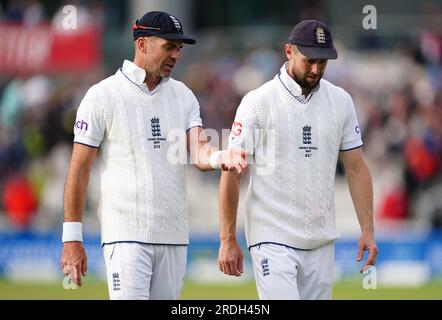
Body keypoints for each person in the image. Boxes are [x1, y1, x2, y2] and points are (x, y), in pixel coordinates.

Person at [60, 11, 247, 300]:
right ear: (142, 44)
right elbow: (79, 169)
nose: (176, 55)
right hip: (126, 234)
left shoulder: (183, 95)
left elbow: (200, 153)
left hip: (173, 236)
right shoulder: (103, 95)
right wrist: (72, 238)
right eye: (169, 47)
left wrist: (221, 157)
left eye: (179, 49)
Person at [217, 20, 378, 300]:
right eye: (310, 61)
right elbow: (232, 171)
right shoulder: (258, 102)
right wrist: (227, 239)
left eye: (323, 62)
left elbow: (356, 168)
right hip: (271, 238)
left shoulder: (340, 101)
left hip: (321, 240)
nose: (316, 69)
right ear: (289, 51)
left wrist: (368, 229)